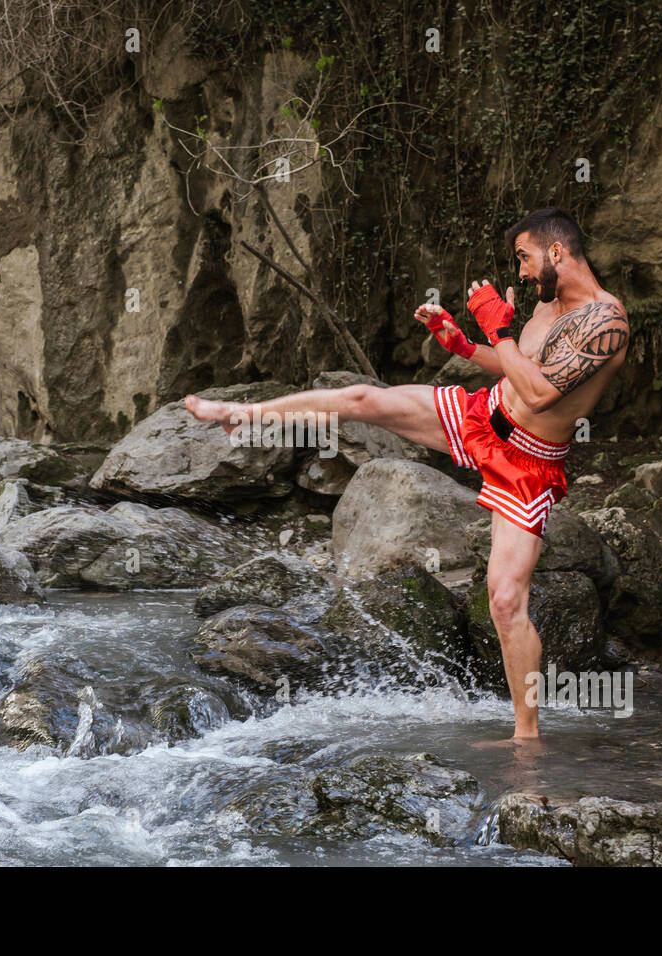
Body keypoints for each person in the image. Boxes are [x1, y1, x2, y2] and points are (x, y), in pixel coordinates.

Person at [184, 207, 629, 738]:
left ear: (557, 252)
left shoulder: (607, 323)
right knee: (362, 398)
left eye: (525, 258)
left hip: (527, 458)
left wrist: (498, 326)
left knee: (507, 600)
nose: (522, 272)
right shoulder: (548, 303)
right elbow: (518, 366)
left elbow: (539, 391)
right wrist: (466, 345)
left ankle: (525, 735)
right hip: (480, 416)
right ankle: (242, 416)